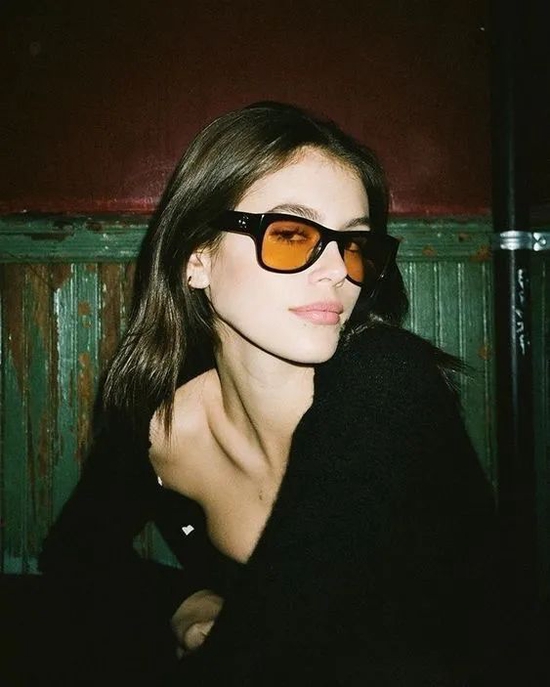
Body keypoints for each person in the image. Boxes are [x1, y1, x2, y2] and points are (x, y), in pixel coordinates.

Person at [39, 101, 502, 685]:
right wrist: (185, 601)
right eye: (290, 234)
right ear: (197, 258)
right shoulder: (159, 420)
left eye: (354, 244)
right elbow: (75, 554)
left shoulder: (387, 383)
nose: (338, 270)